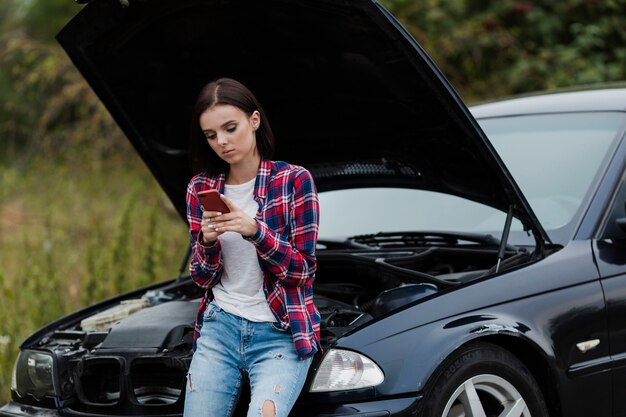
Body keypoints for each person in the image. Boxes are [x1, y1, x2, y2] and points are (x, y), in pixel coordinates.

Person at [183, 77, 320, 417]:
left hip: (280, 331)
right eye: (211, 135)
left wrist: (256, 231)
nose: (222, 142)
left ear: (254, 121)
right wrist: (207, 242)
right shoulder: (201, 187)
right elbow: (201, 279)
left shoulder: (294, 181)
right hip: (220, 328)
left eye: (230, 128)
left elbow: (302, 271)